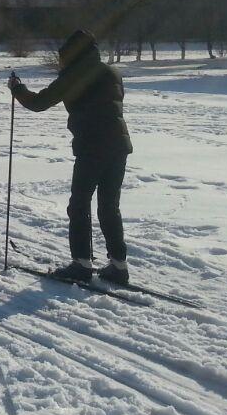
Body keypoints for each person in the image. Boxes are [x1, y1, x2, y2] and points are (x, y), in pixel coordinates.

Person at [7, 28, 133, 285]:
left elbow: (39, 102)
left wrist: (17, 89)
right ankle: (119, 266)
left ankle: (81, 264)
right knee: (109, 205)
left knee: (79, 204)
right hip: (119, 145)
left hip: (92, 145)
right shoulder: (112, 72)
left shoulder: (76, 74)